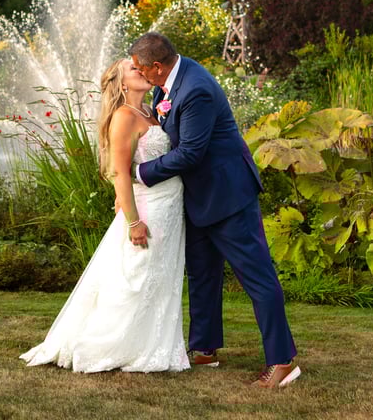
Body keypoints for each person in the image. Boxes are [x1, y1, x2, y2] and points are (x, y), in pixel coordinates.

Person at [129, 32, 300, 389]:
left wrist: (140, 173)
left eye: (140, 68)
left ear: (156, 67)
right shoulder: (169, 83)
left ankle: (283, 361)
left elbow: (190, 152)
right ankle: (204, 349)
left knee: (257, 277)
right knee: (202, 274)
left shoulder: (196, 90)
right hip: (198, 197)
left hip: (228, 196)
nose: (136, 72)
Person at [19, 58, 189, 373]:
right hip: (148, 209)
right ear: (121, 83)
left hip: (169, 206)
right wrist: (134, 221)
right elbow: (119, 173)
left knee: (161, 277)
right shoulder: (123, 117)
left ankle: (154, 345)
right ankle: (108, 344)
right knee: (135, 278)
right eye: (133, 69)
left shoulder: (150, 111)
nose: (141, 70)